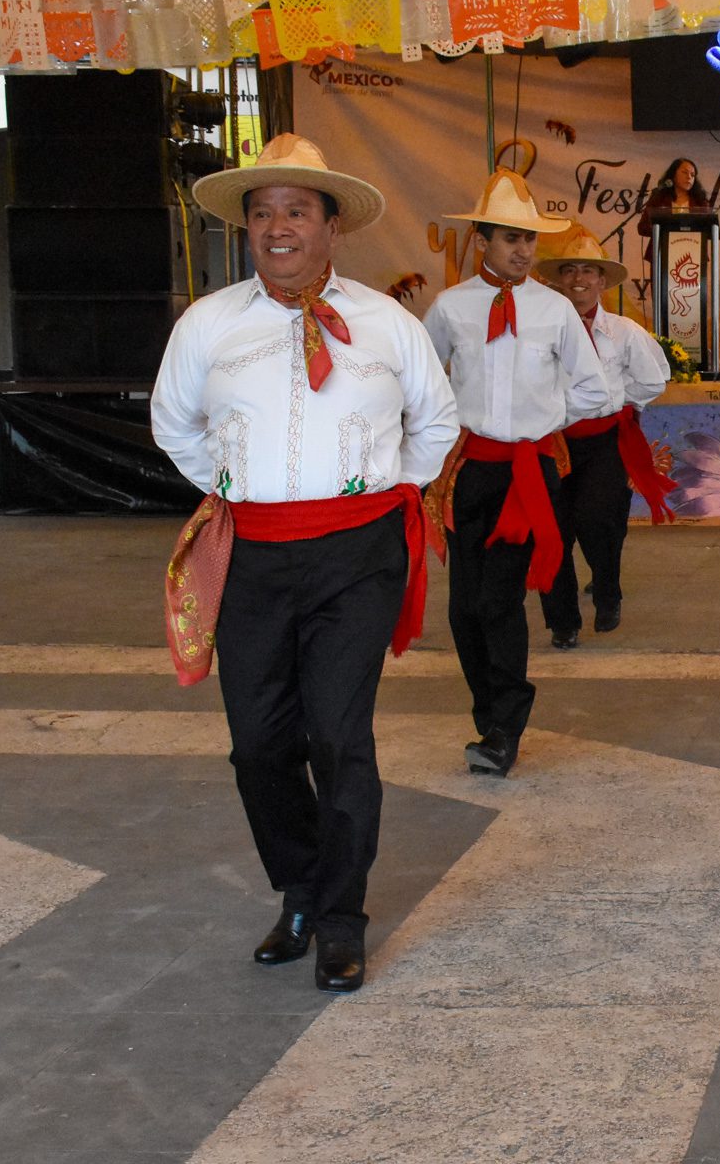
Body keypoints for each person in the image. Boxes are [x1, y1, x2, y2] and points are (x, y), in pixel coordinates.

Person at [153, 134, 460, 993]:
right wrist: (228, 485)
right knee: (257, 742)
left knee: (337, 734)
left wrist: (384, 491)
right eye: (262, 212)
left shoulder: (388, 326)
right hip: (249, 552)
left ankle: (339, 918)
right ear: (246, 228)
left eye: (296, 210)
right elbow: (173, 423)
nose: (277, 226)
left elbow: (437, 423)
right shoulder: (207, 325)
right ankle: (298, 887)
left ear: (331, 226)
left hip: (356, 555)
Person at [422, 171, 610, 776]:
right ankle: (489, 716)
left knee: (499, 599)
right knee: (463, 608)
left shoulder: (554, 310)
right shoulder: (451, 307)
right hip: (469, 472)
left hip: (528, 474)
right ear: (482, 240)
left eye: (530, 239)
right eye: (510, 238)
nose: (524, 250)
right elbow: (421, 383)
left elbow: (595, 389)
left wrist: (546, 420)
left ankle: (507, 725)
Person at [536, 237, 679, 642]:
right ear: (559, 281)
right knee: (553, 529)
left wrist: (619, 404)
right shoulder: (540, 332)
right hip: (551, 442)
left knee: (598, 517)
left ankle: (607, 590)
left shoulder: (623, 332)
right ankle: (563, 623)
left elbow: (654, 378)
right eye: (569, 270)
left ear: (602, 281)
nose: (578, 279)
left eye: (588, 271)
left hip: (604, 440)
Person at [636, 157, 710, 264]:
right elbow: (642, 227)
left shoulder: (700, 201)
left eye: (692, 175)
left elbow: (708, 228)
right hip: (662, 256)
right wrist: (666, 230)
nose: (689, 177)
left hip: (693, 256)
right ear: (673, 175)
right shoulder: (659, 197)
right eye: (685, 172)